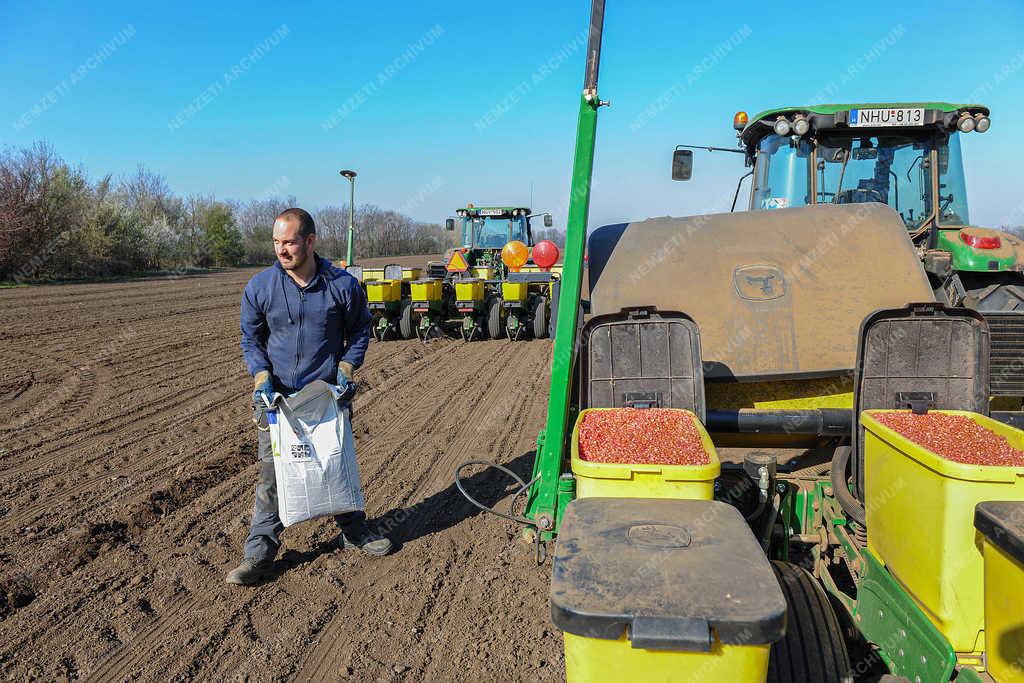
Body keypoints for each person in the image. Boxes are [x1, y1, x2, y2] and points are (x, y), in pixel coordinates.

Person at [226, 207, 391, 586]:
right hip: (277, 400)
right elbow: (251, 339)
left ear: (310, 241)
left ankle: (353, 531)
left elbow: (361, 331)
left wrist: (347, 368)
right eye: (276, 243)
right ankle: (260, 552)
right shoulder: (261, 287)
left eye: (289, 242)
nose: (281, 250)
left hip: (325, 397)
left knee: (335, 464)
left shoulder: (341, 285)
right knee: (272, 475)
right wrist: (261, 375)